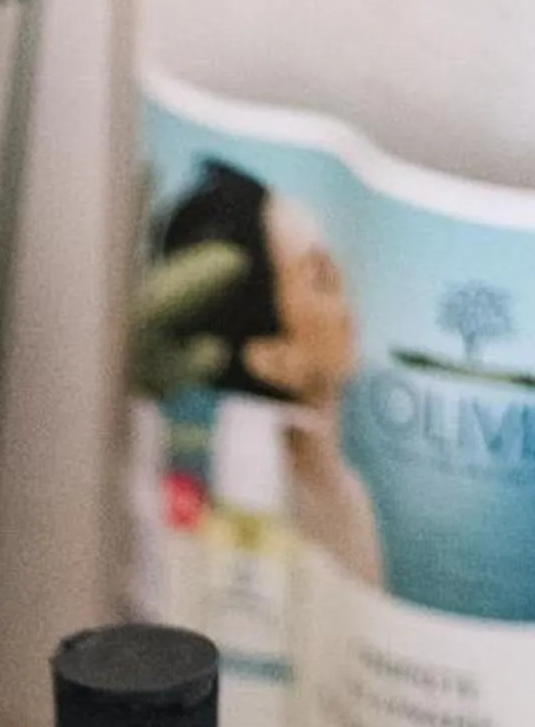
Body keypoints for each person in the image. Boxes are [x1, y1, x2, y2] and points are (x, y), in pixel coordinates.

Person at [147, 160, 383, 585]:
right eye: (323, 278)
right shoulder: (275, 510)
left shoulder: (337, 486)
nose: (349, 298)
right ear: (274, 359)